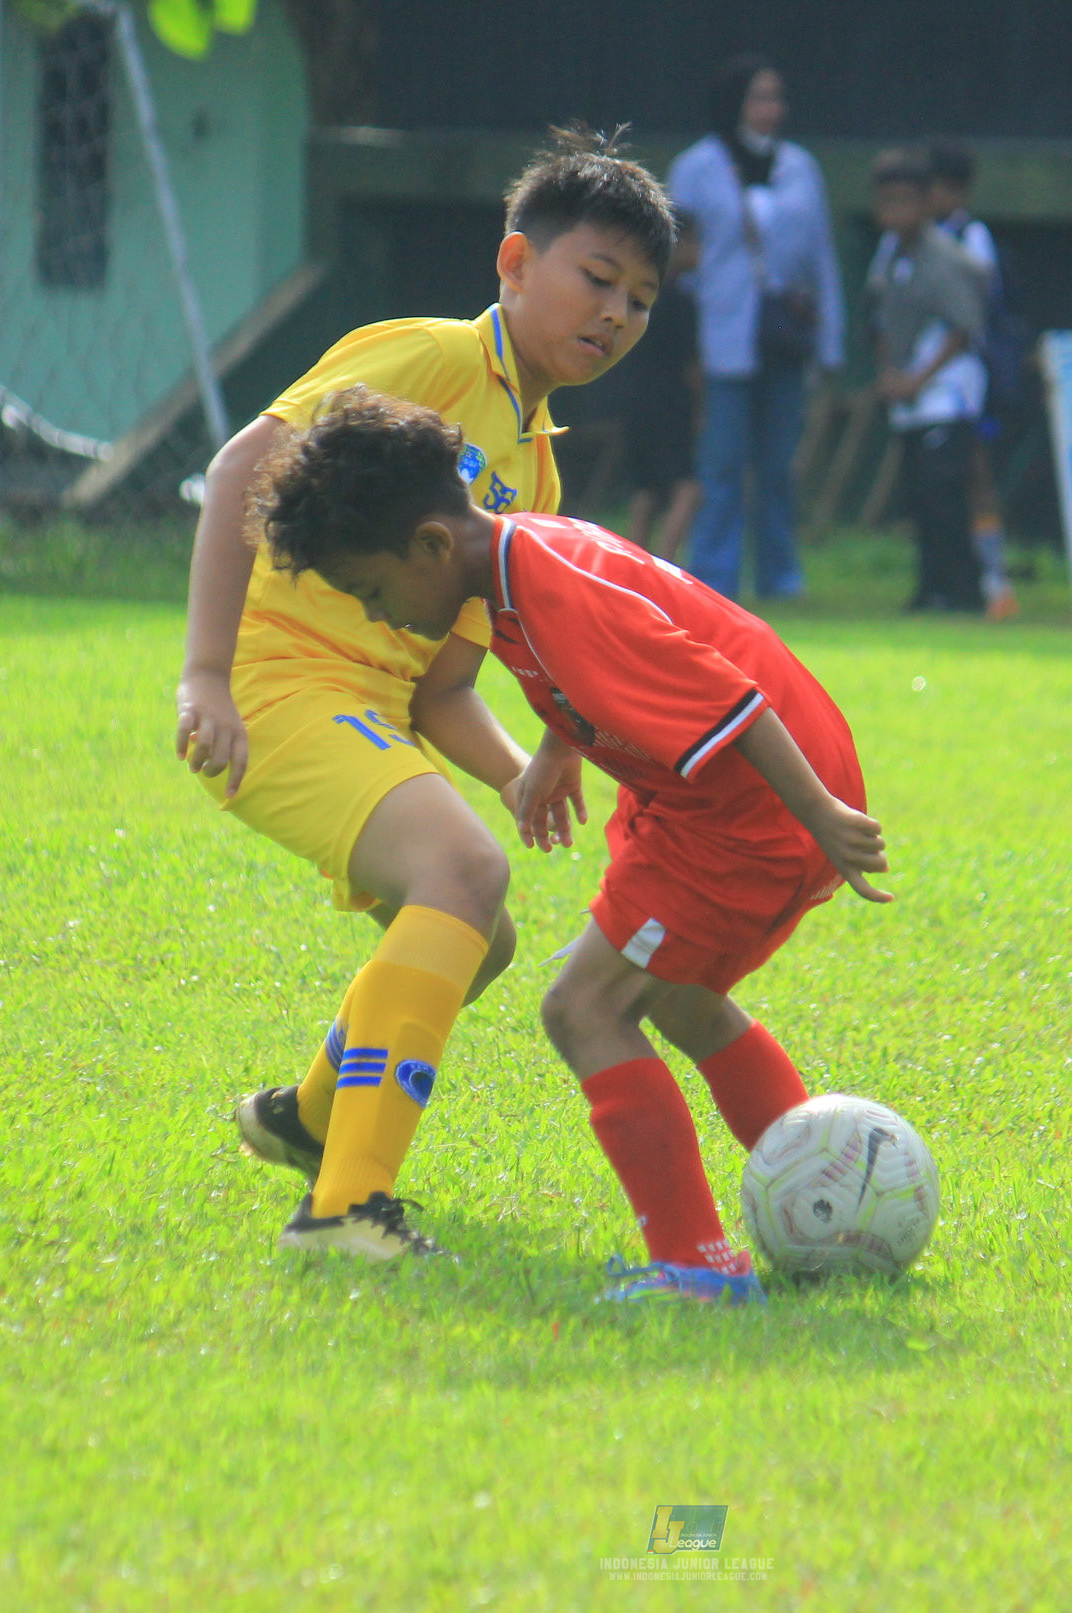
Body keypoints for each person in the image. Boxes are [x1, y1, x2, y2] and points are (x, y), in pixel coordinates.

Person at [257, 389, 890, 1305]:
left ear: (432, 546)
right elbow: (622, 660)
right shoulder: (520, 558)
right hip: (723, 804)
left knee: (583, 1007)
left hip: (747, 812)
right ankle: (839, 1195)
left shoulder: (551, 598)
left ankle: (695, 1267)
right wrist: (559, 746)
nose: (386, 615)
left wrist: (822, 815)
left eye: (374, 590)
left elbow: (729, 702)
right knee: (676, 996)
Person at [171, 131, 677, 1260]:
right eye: (597, 279)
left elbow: (446, 680)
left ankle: (306, 1117)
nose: (616, 314)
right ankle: (344, 1209)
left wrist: (523, 772)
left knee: (481, 931)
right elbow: (241, 469)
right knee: (461, 875)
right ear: (513, 261)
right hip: (276, 682)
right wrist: (207, 671)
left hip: (361, 702)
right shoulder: (435, 358)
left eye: (642, 301)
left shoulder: (536, 468)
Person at [667, 55, 846, 601]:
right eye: (759, 98)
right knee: (720, 463)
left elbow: (821, 256)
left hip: (785, 334)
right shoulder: (696, 167)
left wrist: (831, 340)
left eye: (777, 98)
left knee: (777, 468)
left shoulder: (800, 167)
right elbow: (677, 252)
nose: (771, 110)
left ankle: (780, 576)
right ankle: (714, 577)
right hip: (721, 335)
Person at [868, 148, 990, 614]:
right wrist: (889, 374)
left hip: (946, 395)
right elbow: (878, 320)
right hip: (907, 398)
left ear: (925, 202)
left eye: (905, 200)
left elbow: (963, 328)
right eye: (886, 200)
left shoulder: (949, 257)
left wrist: (919, 378)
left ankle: (963, 591)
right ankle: (929, 587)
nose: (895, 211)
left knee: (946, 497)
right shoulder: (887, 256)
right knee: (919, 497)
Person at [926, 138, 1019, 620]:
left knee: (979, 477)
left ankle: (995, 580)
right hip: (934, 387)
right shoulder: (913, 238)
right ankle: (959, 580)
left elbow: (978, 308)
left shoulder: (971, 237)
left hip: (972, 383)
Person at [618, 223, 703, 560]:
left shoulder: (635, 299)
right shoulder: (680, 300)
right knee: (686, 488)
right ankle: (666, 564)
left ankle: (634, 571)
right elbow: (691, 366)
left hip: (636, 402)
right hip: (672, 404)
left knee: (646, 491)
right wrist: (701, 409)